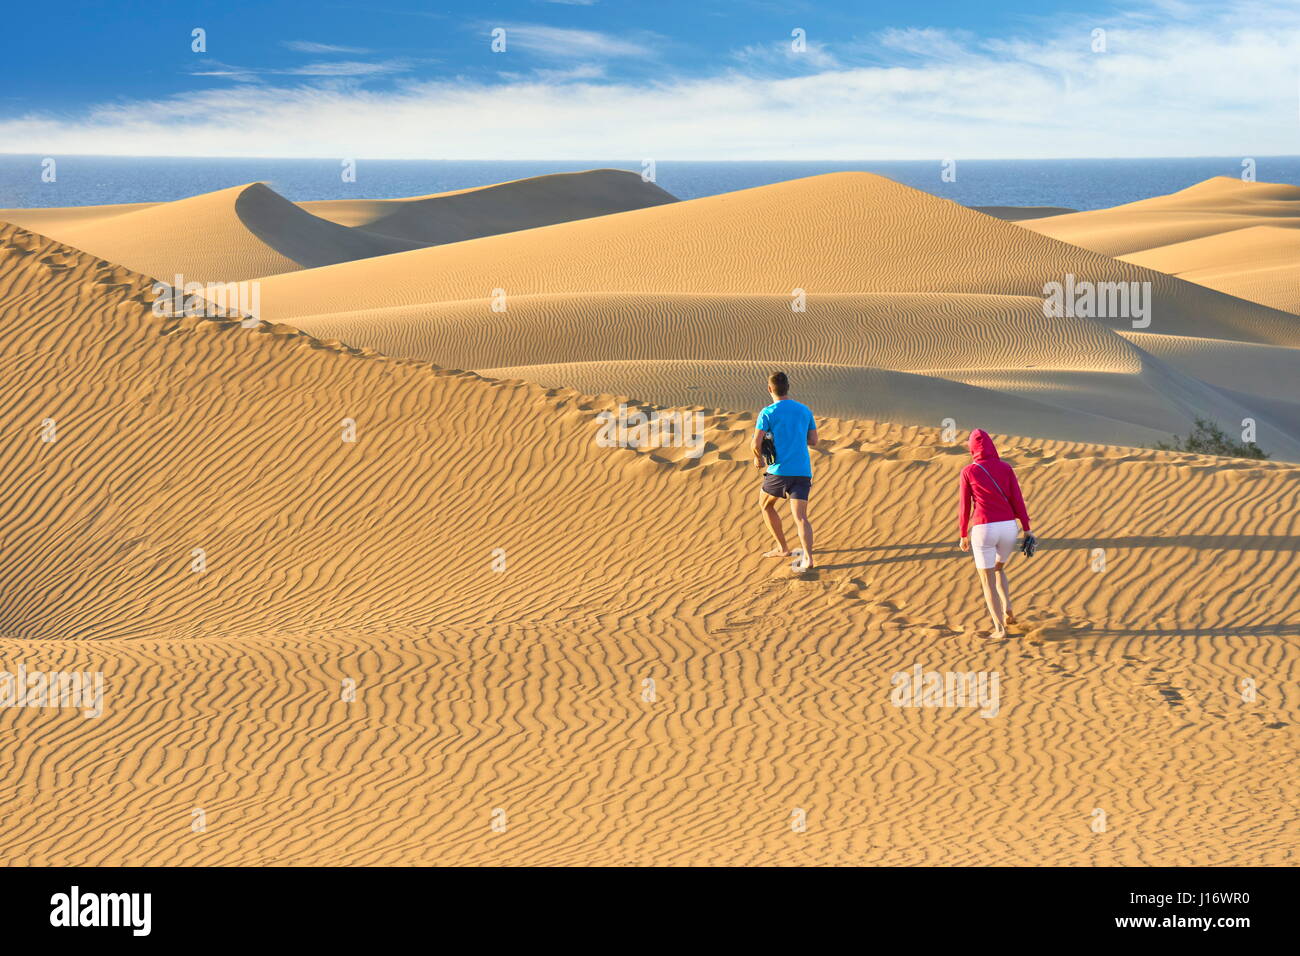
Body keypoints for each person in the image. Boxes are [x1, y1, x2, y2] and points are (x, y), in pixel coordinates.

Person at [958, 428, 1032, 639]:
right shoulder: (1006, 468)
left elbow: (964, 505)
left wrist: (963, 533)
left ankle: (999, 629)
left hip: (984, 528)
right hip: (1009, 527)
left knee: (987, 578)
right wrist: (1027, 528)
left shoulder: (968, 471)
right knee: (999, 568)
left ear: (972, 448)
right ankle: (1009, 611)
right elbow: (1018, 500)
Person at [753, 371, 817, 571]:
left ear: (769, 389)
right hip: (802, 471)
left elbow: (756, 442)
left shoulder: (768, 412)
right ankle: (808, 558)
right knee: (801, 518)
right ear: (788, 388)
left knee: (766, 505)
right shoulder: (804, 410)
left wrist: (758, 458)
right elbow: (814, 441)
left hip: (779, 471)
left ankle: (783, 548)